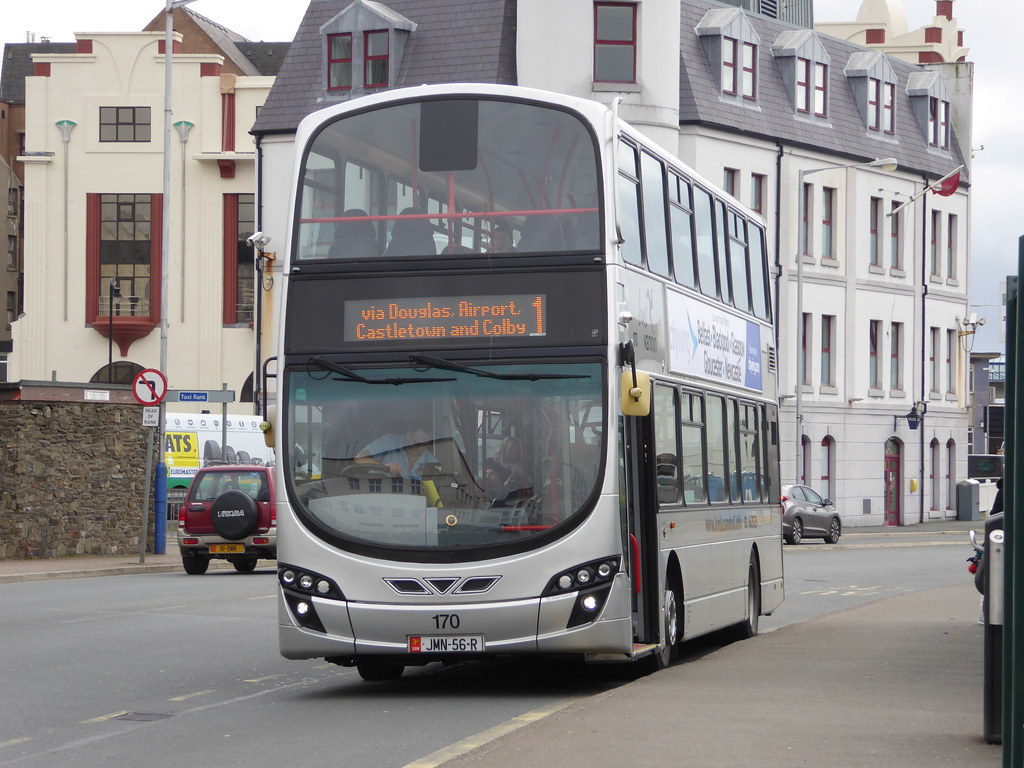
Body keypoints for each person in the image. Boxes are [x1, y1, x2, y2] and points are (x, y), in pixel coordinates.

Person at [355, 424, 437, 478]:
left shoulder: (431, 460)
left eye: (425, 444)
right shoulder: (389, 442)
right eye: (416, 443)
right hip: (378, 494)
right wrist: (384, 467)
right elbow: (360, 458)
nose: (420, 448)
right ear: (408, 434)